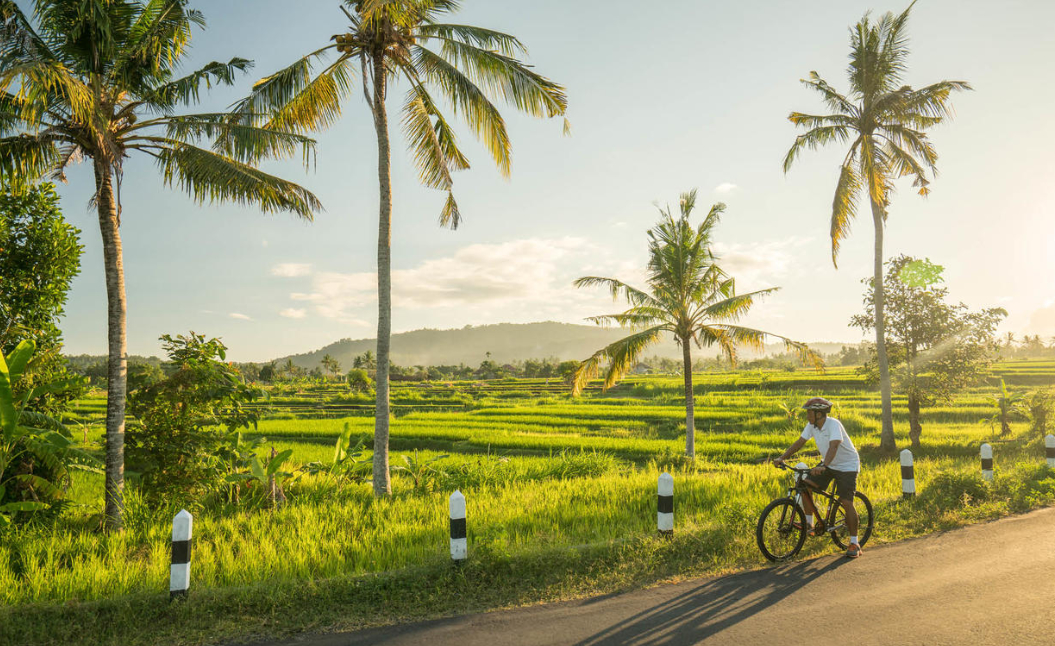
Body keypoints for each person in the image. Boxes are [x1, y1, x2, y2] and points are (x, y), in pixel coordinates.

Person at [773, 397, 862, 558]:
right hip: (829, 464)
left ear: (819, 413)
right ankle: (809, 523)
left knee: (847, 501)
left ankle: (854, 542)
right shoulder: (812, 426)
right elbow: (799, 442)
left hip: (847, 466)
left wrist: (824, 466)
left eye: (809, 413)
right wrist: (782, 458)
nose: (807, 415)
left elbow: (834, 446)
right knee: (805, 486)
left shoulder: (833, 424)